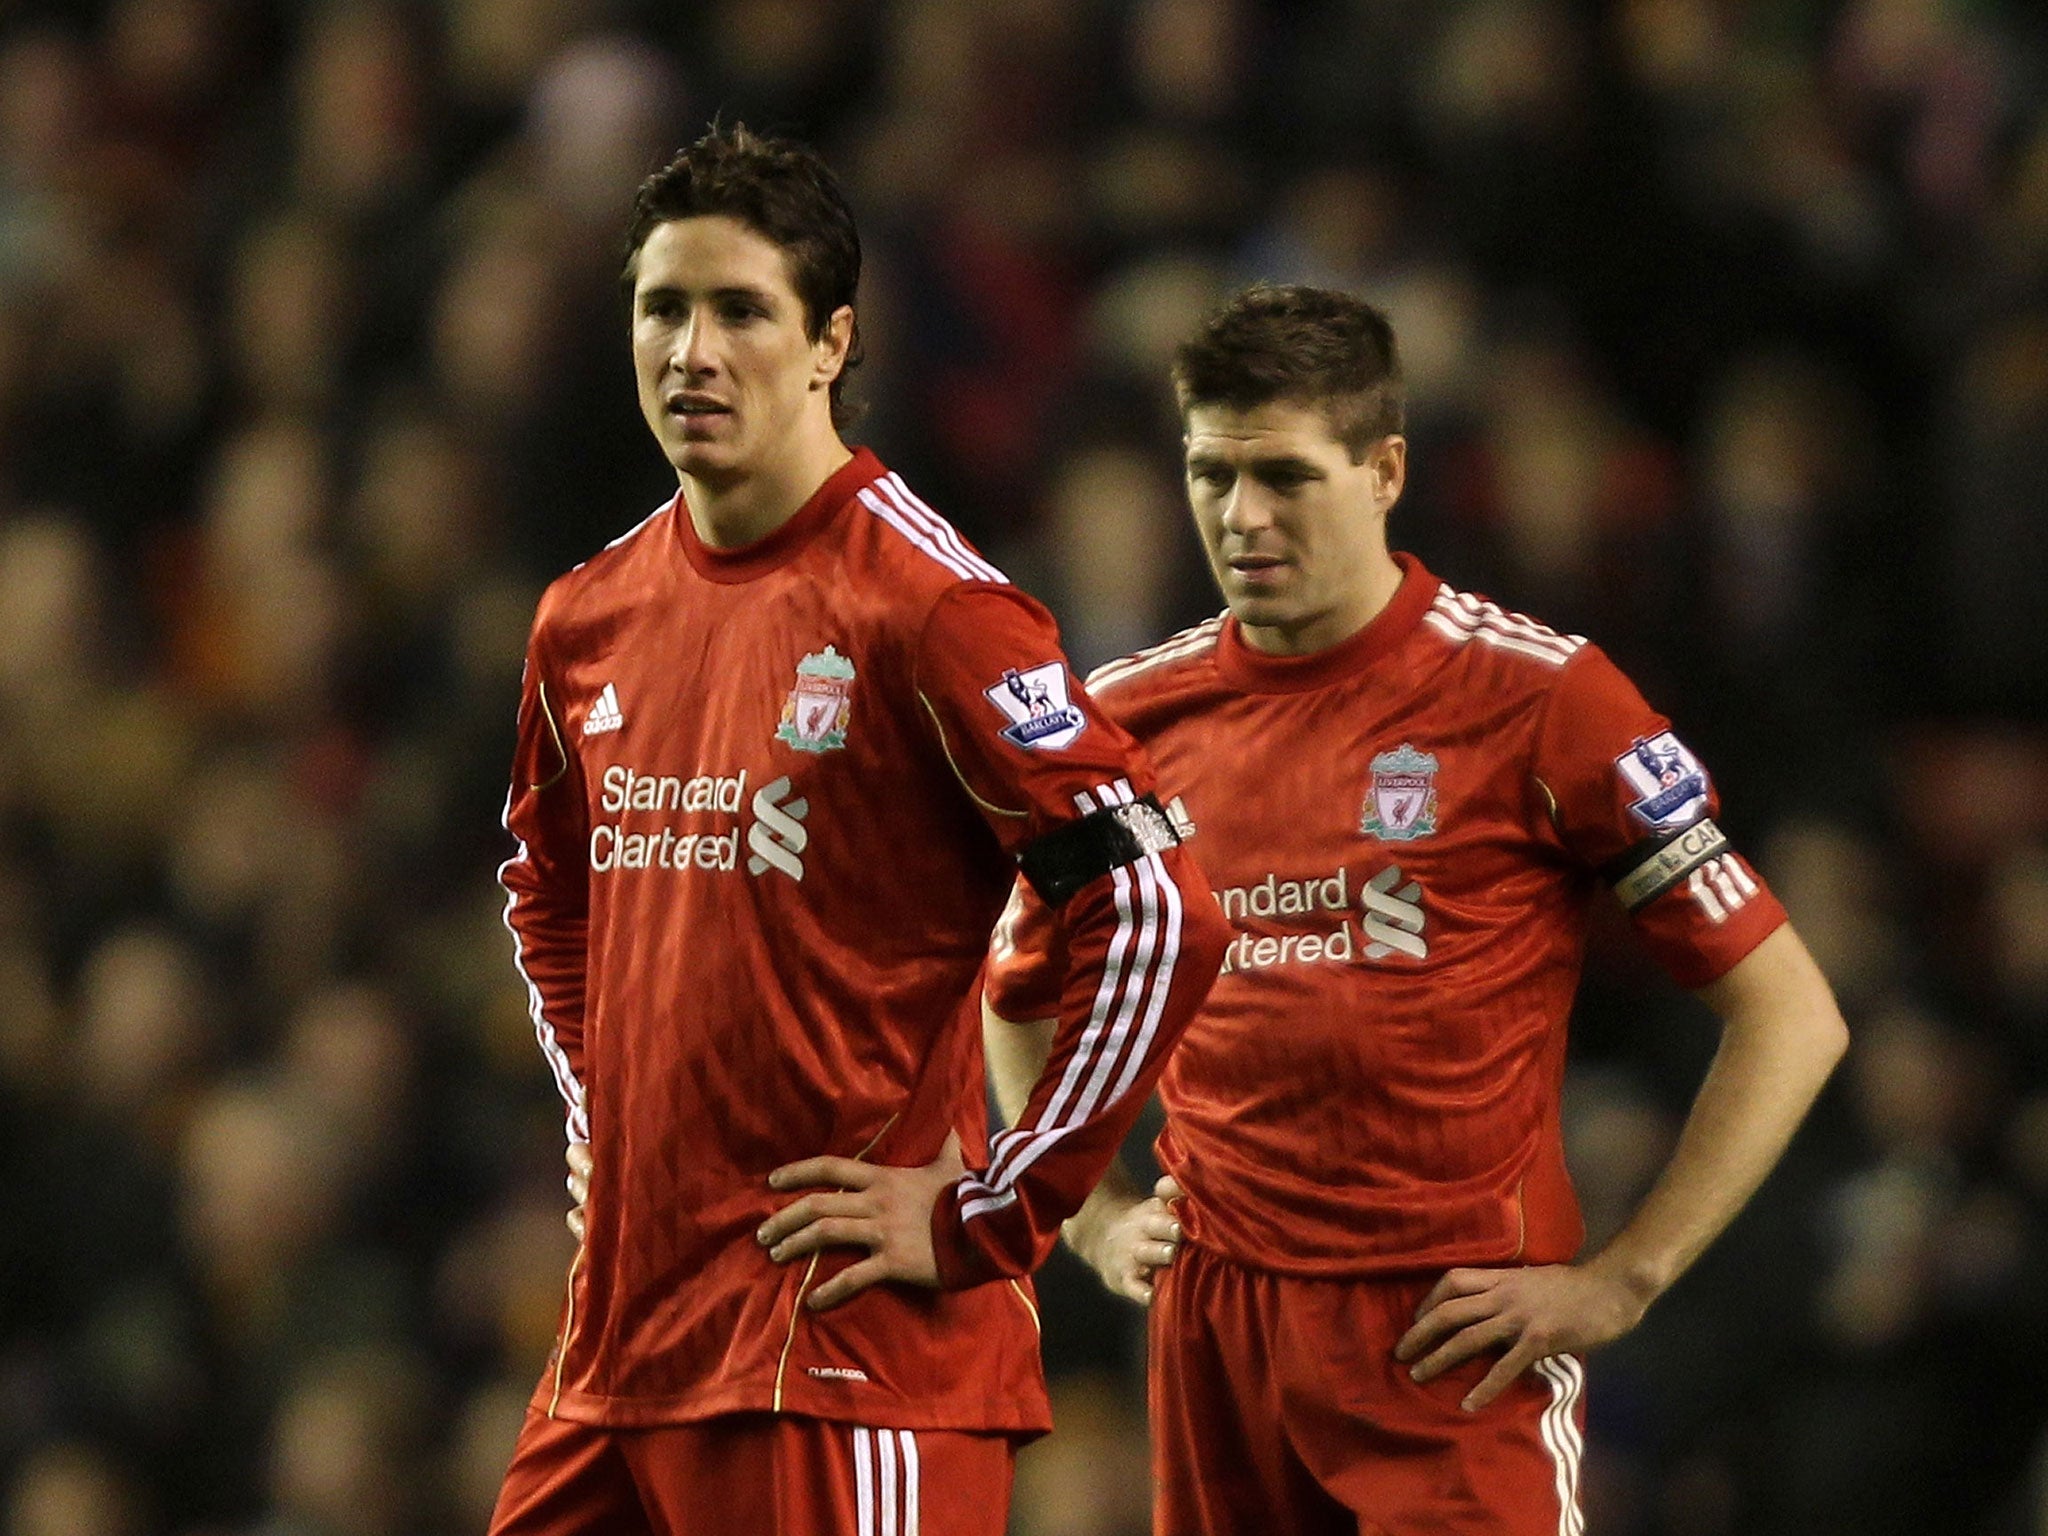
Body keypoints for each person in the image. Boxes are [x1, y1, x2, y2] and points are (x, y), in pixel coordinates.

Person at [982, 285, 1849, 1535]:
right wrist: (1093, 1220)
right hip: (1217, 1332)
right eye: (1210, 474)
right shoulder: (1124, 724)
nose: (1240, 516)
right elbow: (1015, 991)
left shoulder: (1538, 698)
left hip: (1453, 1343)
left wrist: (1623, 1280)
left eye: (1282, 475)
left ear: (1383, 469)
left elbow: (1790, 1015)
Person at [489, 124, 1229, 1536]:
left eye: (741, 311)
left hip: (843, 1361)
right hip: (624, 1352)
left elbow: (1156, 904)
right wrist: (607, 1111)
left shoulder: (927, 607)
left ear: (831, 342)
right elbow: (545, 886)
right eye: (663, 309)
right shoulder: (586, 617)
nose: (692, 352)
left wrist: (996, 1210)